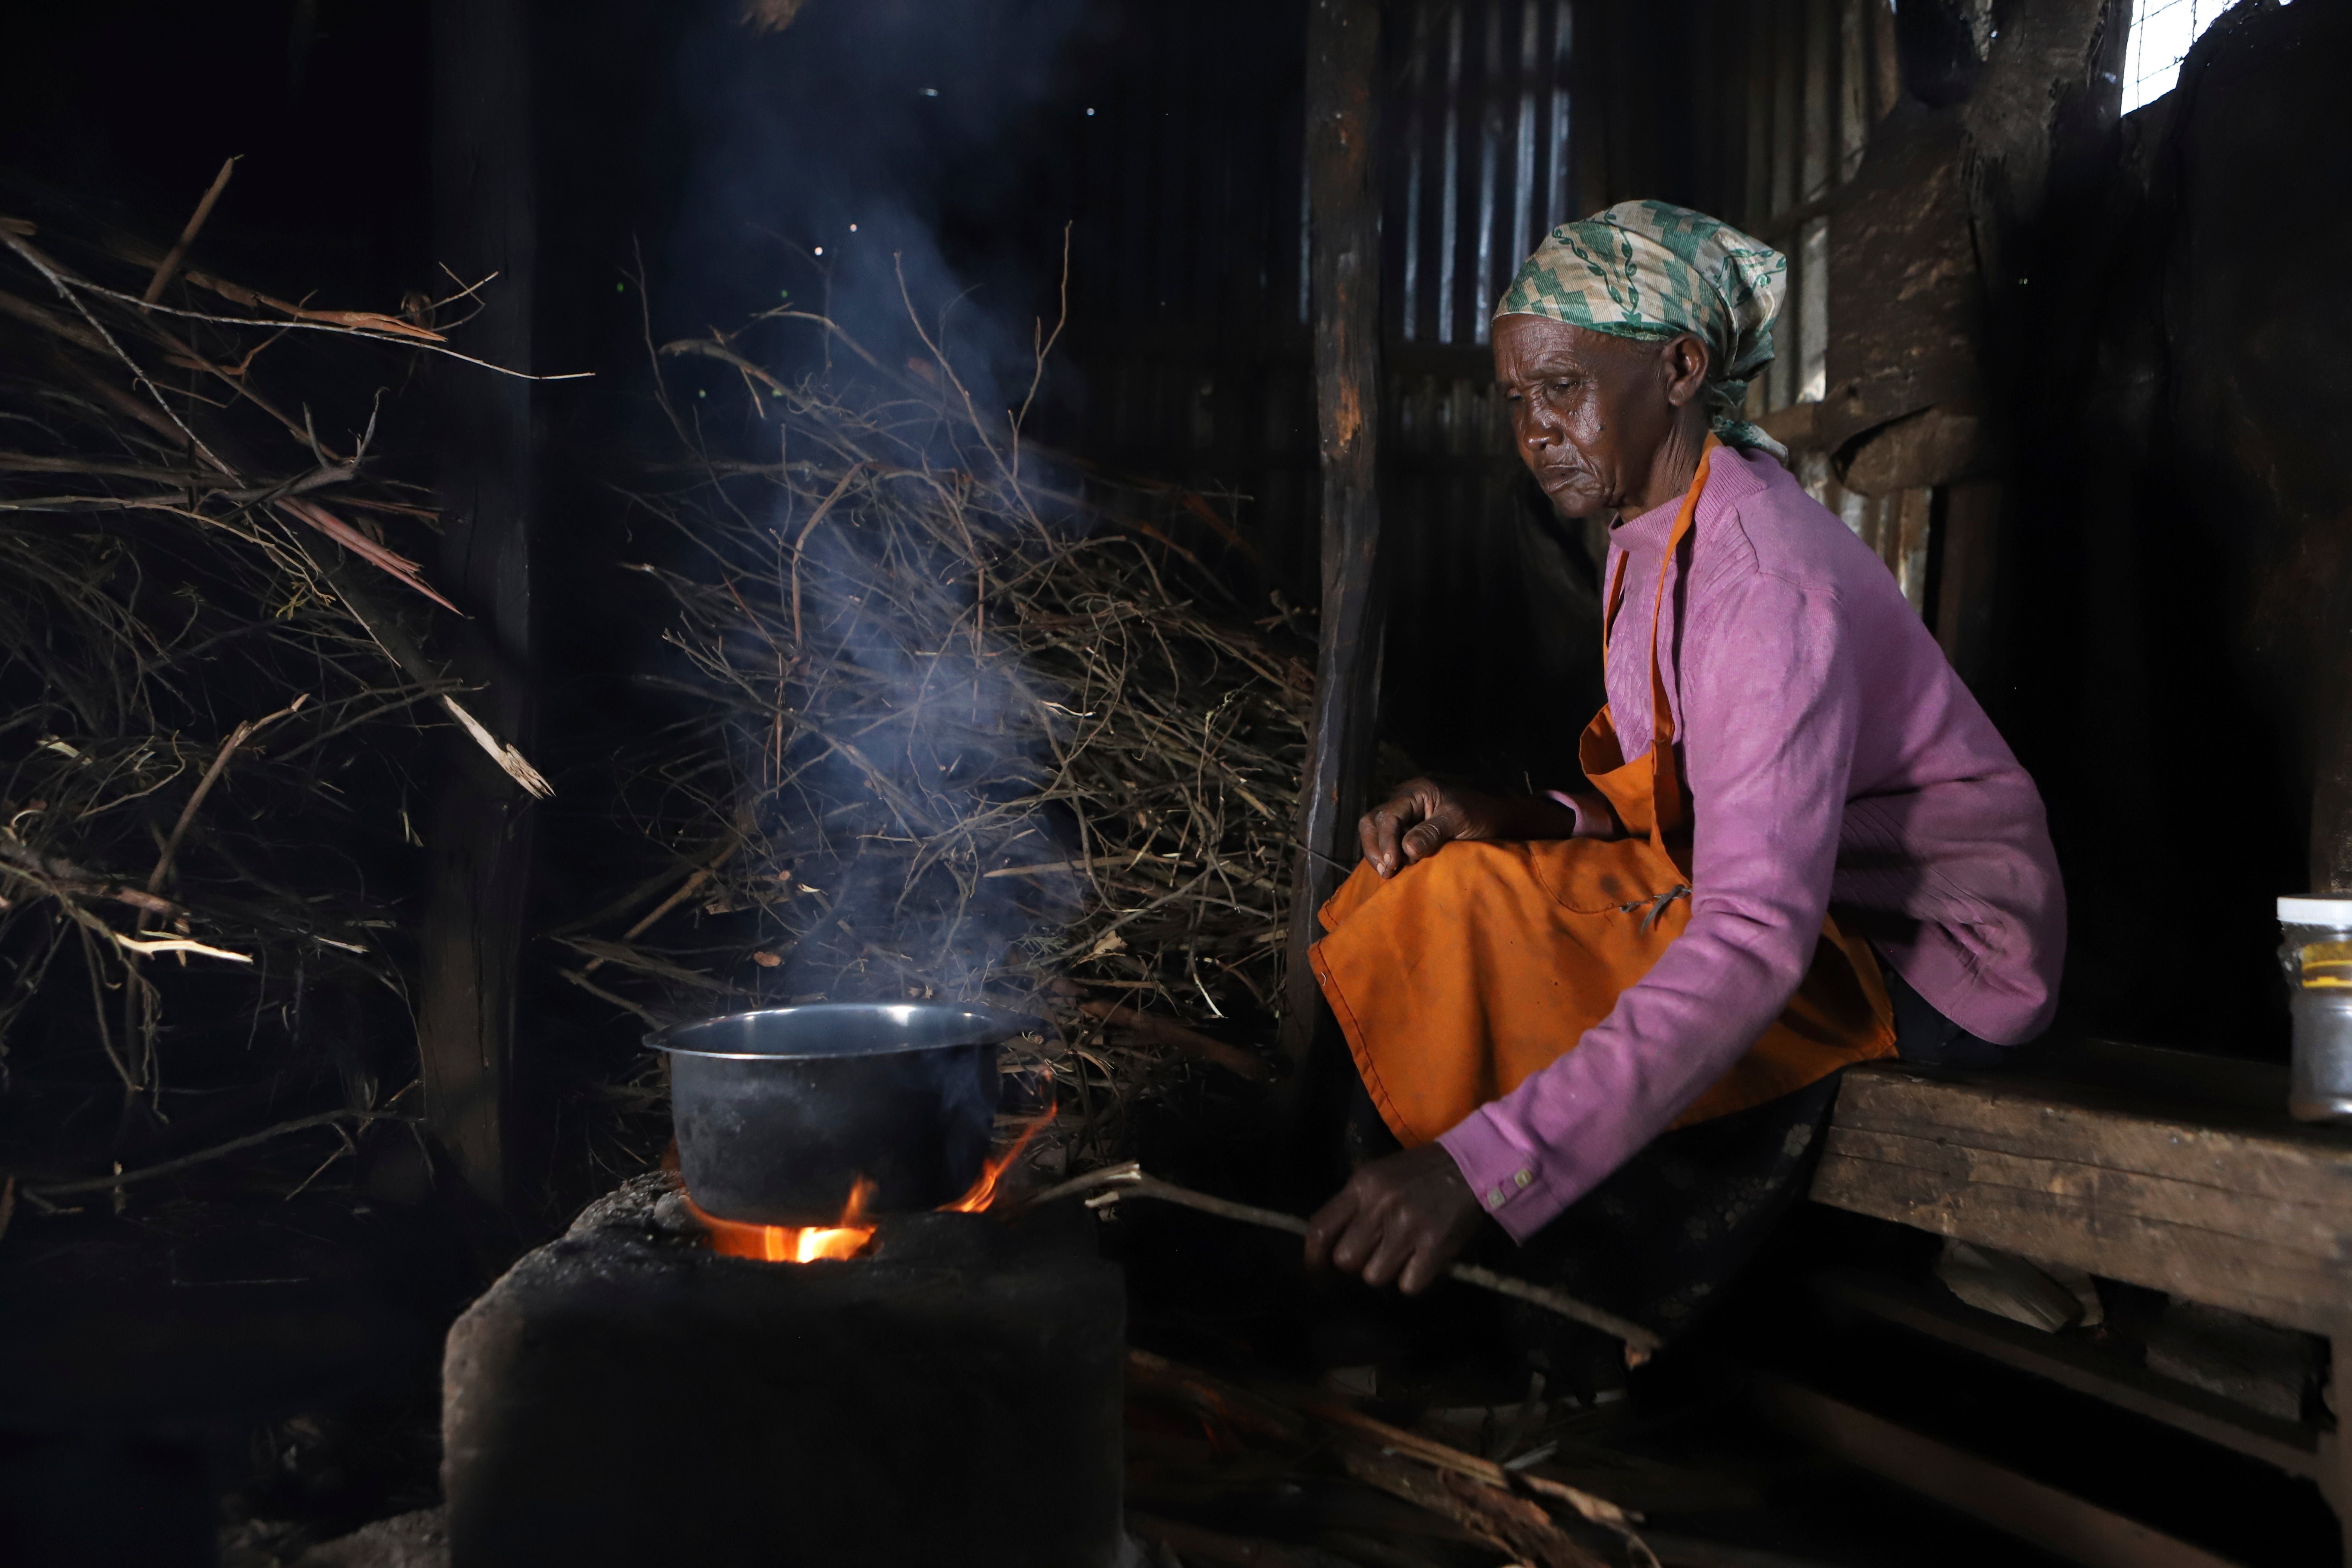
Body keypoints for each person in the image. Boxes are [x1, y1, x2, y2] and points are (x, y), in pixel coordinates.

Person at [1299, 202, 2065, 1347]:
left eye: (1561, 387)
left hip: (1935, 955)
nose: (1535, 431)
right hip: (1811, 901)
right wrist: (1519, 815)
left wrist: (1484, 1172)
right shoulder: (1653, 534)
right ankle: (1398, 1297)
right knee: (1438, 889)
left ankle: (1522, 1320)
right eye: (1516, 400)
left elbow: (1754, 936)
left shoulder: (1763, 580)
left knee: (1488, 938)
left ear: (1681, 367)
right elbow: (1693, 799)